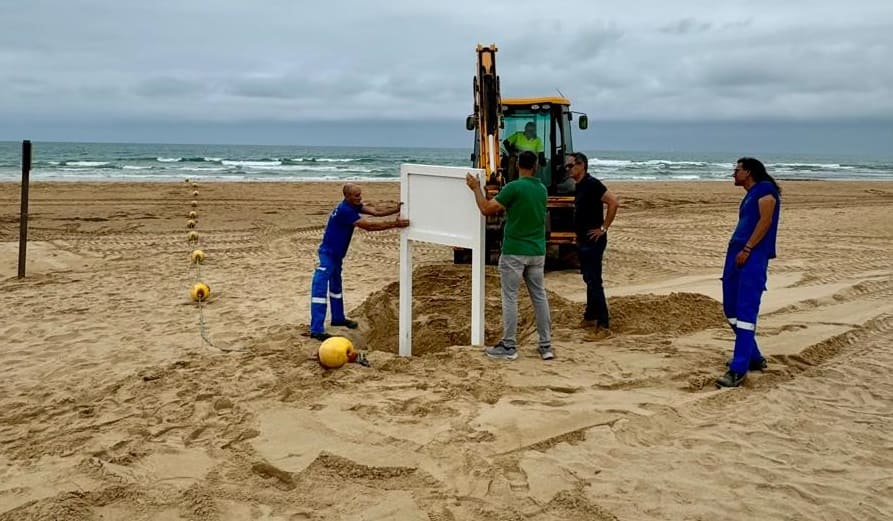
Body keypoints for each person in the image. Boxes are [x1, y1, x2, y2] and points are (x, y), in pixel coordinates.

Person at [465, 150, 554, 360]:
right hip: (537, 251)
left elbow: (487, 209)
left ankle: (509, 345)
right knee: (539, 297)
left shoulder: (513, 187)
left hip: (515, 250)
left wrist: (476, 189)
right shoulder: (541, 189)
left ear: (517, 165)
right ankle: (546, 345)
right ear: (536, 166)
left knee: (510, 297)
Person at [309, 183, 409, 341]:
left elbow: (375, 212)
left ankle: (338, 317)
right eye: (356, 196)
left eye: (360, 195)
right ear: (347, 196)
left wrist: (395, 209)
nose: (360, 198)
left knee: (336, 286)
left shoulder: (353, 206)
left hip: (337, 255)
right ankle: (316, 329)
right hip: (328, 254)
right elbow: (368, 226)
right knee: (320, 287)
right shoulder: (345, 210)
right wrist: (394, 224)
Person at [716, 158, 781, 388]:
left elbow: (766, 220)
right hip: (736, 253)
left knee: (745, 311)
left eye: (737, 170)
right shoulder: (750, 193)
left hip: (751, 256)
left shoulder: (766, 190)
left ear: (749, 172)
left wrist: (748, 248)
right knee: (730, 308)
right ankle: (752, 355)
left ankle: (739, 367)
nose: (733, 174)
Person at [566, 152, 619, 330]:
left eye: (570, 165)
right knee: (589, 279)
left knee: (594, 281)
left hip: (593, 241)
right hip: (582, 240)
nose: (568, 169)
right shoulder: (579, 186)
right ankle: (590, 316)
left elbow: (613, 203)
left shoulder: (592, 184)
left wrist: (603, 228)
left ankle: (603, 322)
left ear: (581, 165)